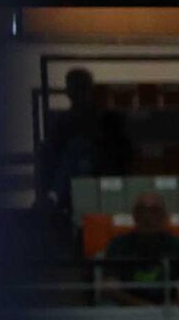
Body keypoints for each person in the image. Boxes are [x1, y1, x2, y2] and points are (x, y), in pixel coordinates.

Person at [37, 66, 131, 214]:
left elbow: (118, 147)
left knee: (80, 151)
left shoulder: (107, 118)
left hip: (99, 169)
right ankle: (56, 196)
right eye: (74, 89)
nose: (77, 94)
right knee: (74, 154)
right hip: (73, 173)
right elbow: (51, 149)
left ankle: (55, 195)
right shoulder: (63, 121)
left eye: (81, 88)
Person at [98, 189, 179, 307]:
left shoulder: (177, 245)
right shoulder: (118, 245)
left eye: (154, 211)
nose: (147, 216)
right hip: (127, 312)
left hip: (167, 311)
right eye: (142, 210)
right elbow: (110, 289)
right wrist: (146, 308)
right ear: (134, 215)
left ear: (164, 216)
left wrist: (168, 310)